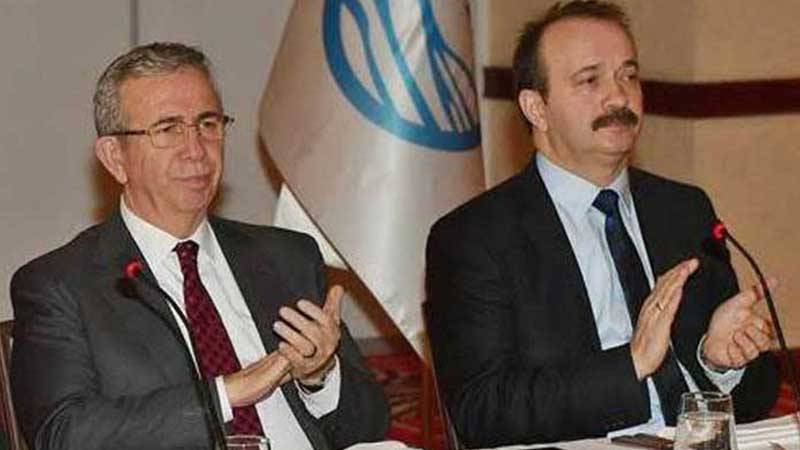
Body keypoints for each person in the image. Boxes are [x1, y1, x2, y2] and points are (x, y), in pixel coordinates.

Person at [425, 1, 779, 447]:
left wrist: (720, 364)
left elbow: (757, 398)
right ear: (536, 107)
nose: (619, 97)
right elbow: (482, 412)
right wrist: (630, 364)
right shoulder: (475, 237)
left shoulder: (684, 210)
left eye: (628, 76)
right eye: (590, 80)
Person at [10, 42, 389, 450]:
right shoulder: (60, 285)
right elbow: (64, 433)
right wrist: (225, 393)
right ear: (115, 157)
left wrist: (320, 377)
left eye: (208, 124)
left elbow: (370, 428)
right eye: (168, 129)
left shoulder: (287, 257)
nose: (196, 150)